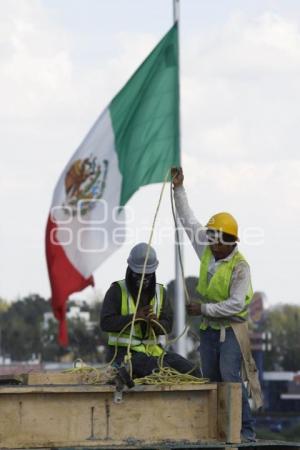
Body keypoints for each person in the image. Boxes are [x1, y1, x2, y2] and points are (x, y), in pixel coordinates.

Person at [172, 167, 257, 443]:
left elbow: (235, 306)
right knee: (210, 379)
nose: (209, 241)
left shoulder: (240, 268)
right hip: (210, 330)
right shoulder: (208, 250)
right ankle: (216, 431)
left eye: (215, 238)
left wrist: (203, 309)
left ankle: (246, 433)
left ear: (227, 241)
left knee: (231, 379)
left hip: (231, 331)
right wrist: (179, 188)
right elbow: (187, 220)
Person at [100, 242, 201, 379]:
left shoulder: (161, 292)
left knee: (192, 371)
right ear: (130, 269)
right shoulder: (117, 291)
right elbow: (106, 323)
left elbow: (167, 327)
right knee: (163, 371)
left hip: (154, 352)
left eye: (147, 275)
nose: (142, 280)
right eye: (138, 275)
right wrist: (134, 317)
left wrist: (155, 323)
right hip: (124, 355)